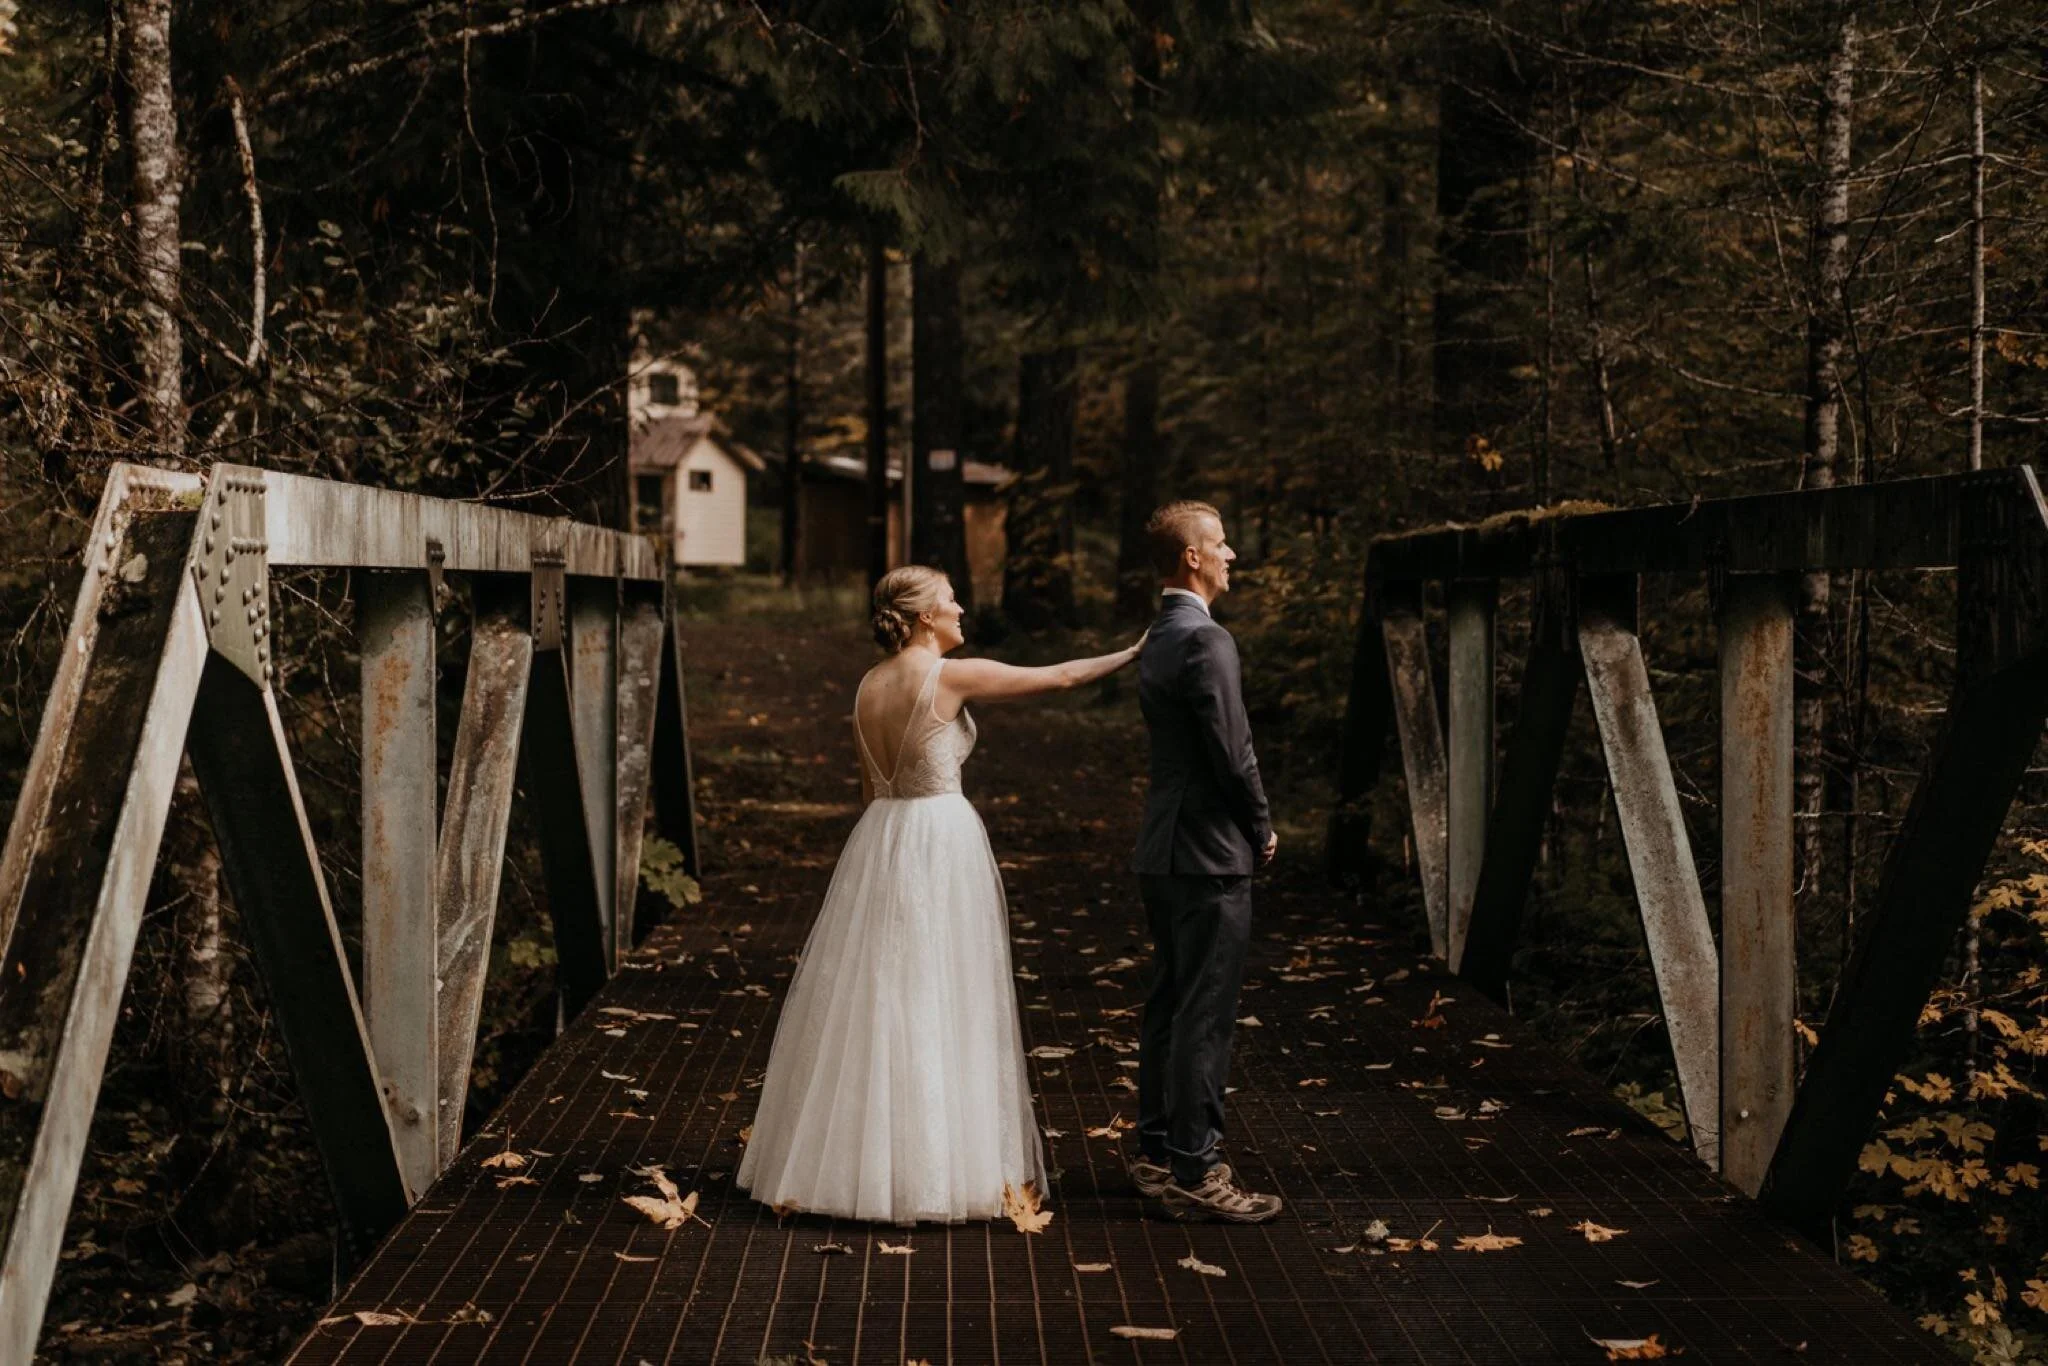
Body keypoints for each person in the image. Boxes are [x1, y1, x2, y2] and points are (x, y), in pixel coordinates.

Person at [737, 566, 1145, 1223]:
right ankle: (932, 1171)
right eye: (950, 599)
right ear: (925, 616)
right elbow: (1060, 677)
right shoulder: (948, 676)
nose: (960, 608)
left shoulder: (868, 684)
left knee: (878, 991)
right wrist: (1133, 651)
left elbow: (869, 790)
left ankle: (856, 1165)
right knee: (941, 988)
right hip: (939, 837)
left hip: (879, 838)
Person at [1127, 500, 1282, 1223]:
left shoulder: (1157, 635)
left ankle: (1156, 1155)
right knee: (1205, 1013)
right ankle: (1197, 1168)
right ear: (1191, 557)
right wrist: (1261, 825)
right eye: (1220, 543)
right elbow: (1233, 749)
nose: (1231, 554)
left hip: (1162, 846)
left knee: (1168, 1003)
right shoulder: (1207, 640)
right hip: (1208, 850)